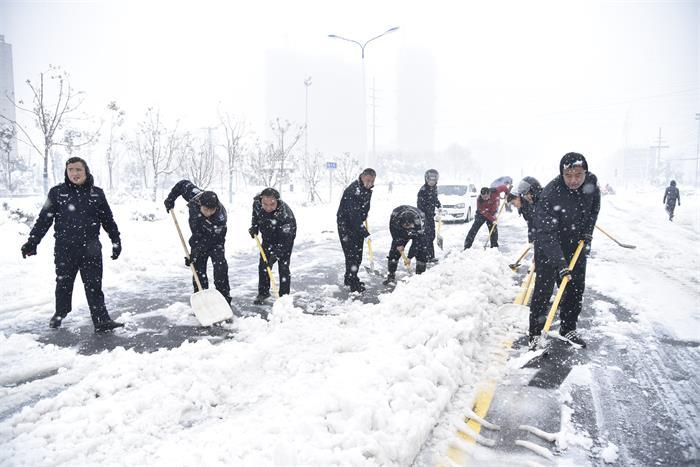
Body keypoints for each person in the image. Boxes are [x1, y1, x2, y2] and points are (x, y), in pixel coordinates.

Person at [20, 157, 124, 332]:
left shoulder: (96, 193)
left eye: (78, 170)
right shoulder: (57, 193)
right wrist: (32, 242)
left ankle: (101, 320)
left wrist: (116, 240)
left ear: (86, 171)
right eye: (70, 170)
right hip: (64, 249)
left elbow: (108, 219)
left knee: (94, 285)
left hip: (91, 249)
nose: (74, 173)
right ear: (66, 172)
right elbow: (43, 220)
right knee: (63, 284)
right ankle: (61, 312)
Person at [528, 152, 600, 350]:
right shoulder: (550, 194)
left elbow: (594, 208)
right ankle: (535, 334)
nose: (574, 180)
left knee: (575, 288)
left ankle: (568, 329)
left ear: (585, 172)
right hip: (548, 247)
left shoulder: (591, 182)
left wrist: (588, 231)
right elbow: (545, 232)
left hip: (575, 244)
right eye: (568, 175)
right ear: (561, 173)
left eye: (578, 175)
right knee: (543, 291)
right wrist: (560, 263)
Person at [164, 180, 231, 304]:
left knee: (220, 268)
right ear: (200, 203)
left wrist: (195, 253)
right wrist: (170, 199)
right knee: (198, 269)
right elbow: (182, 184)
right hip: (198, 237)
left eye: (212, 210)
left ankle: (224, 298)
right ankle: (201, 297)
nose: (209, 213)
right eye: (206, 209)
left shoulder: (220, 217)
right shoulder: (195, 196)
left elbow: (212, 239)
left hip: (216, 241)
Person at [248, 187, 297, 304]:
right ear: (261, 200)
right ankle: (263, 292)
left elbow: (287, 240)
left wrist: (276, 255)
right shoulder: (257, 204)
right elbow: (255, 216)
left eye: (272, 204)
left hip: (285, 238)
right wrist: (255, 227)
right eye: (265, 204)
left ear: (277, 201)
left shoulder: (285, 216)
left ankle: (284, 295)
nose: (268, 207)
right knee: (264, 265)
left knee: (283, 266)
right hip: (268, 236)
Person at [337, 168, 376, 293]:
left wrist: (364, 215)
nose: (369, 183)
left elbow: (363, 209)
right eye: (368, 180)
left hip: (357, 224)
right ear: (362, 177)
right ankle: (353, 284)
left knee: (357, 255)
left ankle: (349, 278)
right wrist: (364, 231)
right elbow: (352, 215)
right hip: (346, 226)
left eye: (372, 181)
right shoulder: (353, 191)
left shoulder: (366, 190)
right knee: (351, 256)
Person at [384, 205, 429, 285]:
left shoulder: (420, 221)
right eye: (405, 226)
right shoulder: (395, 218)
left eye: (409, 226)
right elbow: (394, 232)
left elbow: (417, 243)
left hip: (417, 232)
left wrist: (409, 257)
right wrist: (398, 243)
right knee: (394, 252)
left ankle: (420, 277)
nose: (408, 228)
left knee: (422, 251)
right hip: (400, 232)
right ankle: (391, 276)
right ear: (401, 223)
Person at [463, 183, 509, 249]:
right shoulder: (479, 200)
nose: (485, 198)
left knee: (493, 230)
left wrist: (507, 194)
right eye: (483, 197)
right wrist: (493, 219)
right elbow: (485, 212)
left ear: (489, 194)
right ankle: (467, 246)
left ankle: (494, 246)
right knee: (474, 229)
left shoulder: (495, 191)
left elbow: (504, 187)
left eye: (486, 197)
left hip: (492, 212)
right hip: (481, 214)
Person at [413, 169, 441, 262]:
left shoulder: (434, 189)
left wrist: (438, 205)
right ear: (426, 179)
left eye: (434, 180)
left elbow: (434, 198)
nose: (432, 182)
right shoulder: (423, 191)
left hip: (430, 216)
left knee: (431, 236)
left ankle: (430, 256)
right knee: (426, 237)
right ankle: (425, 256)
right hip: (424, 217)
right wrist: (424, 217)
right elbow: (419, 206)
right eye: (430, 180)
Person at [507, 176, 543, 244]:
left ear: (517, 197)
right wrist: (531, 241)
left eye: (513, 202)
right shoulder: (524, 208)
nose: (514, 206)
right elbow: (531, 224)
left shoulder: (529, 204)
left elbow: (537, 223)